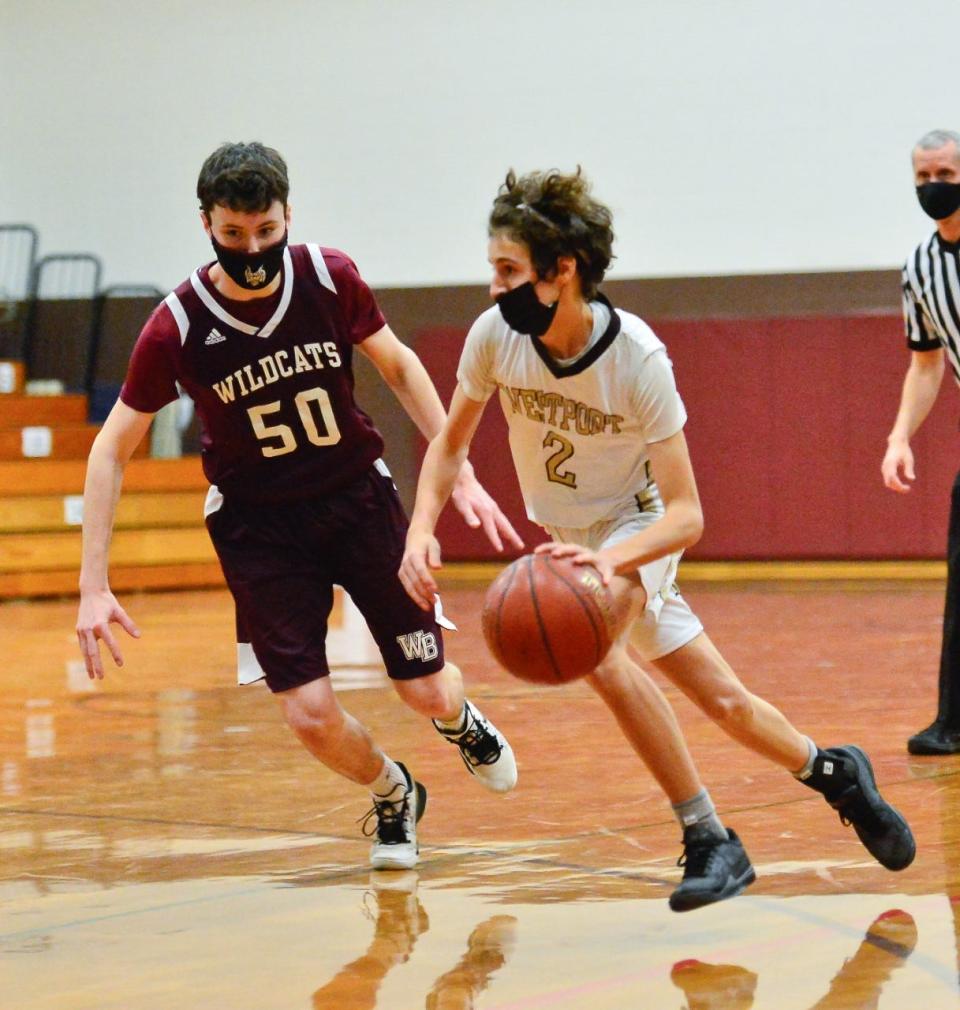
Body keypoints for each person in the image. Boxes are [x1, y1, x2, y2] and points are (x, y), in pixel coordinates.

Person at [400, 167, 916, 911]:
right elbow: (449, 446)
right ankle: (833, 772)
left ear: (561, 271)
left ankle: (709, 838)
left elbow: (686, 515)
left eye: (507, 270)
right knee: (726, 704)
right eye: (492, 269)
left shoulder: (636, 357)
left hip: (639, 528)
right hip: (568, 533)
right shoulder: (494, 339)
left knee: (598, 650)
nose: (492, 287)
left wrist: (610, 560)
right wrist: (420, 531)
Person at [75, 141, 522, 871]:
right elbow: (109, 450)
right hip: (259, 527)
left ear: (287, 217)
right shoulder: (178, 325)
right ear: (206, 225)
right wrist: (94, 585)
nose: (252, 250)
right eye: (233, 235)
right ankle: (393, 794)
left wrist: (458, 468)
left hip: (354, 498)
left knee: (429, 691)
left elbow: (401, 366)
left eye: (265, 232)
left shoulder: (328, 277)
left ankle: (460, 721)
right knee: (308, 713)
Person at [882, 128, 960, 756]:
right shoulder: (919, 268)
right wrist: (899, 436)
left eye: (946, 173)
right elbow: (927, 364)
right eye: (925, 177)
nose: (935, 186)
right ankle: (953, 722)